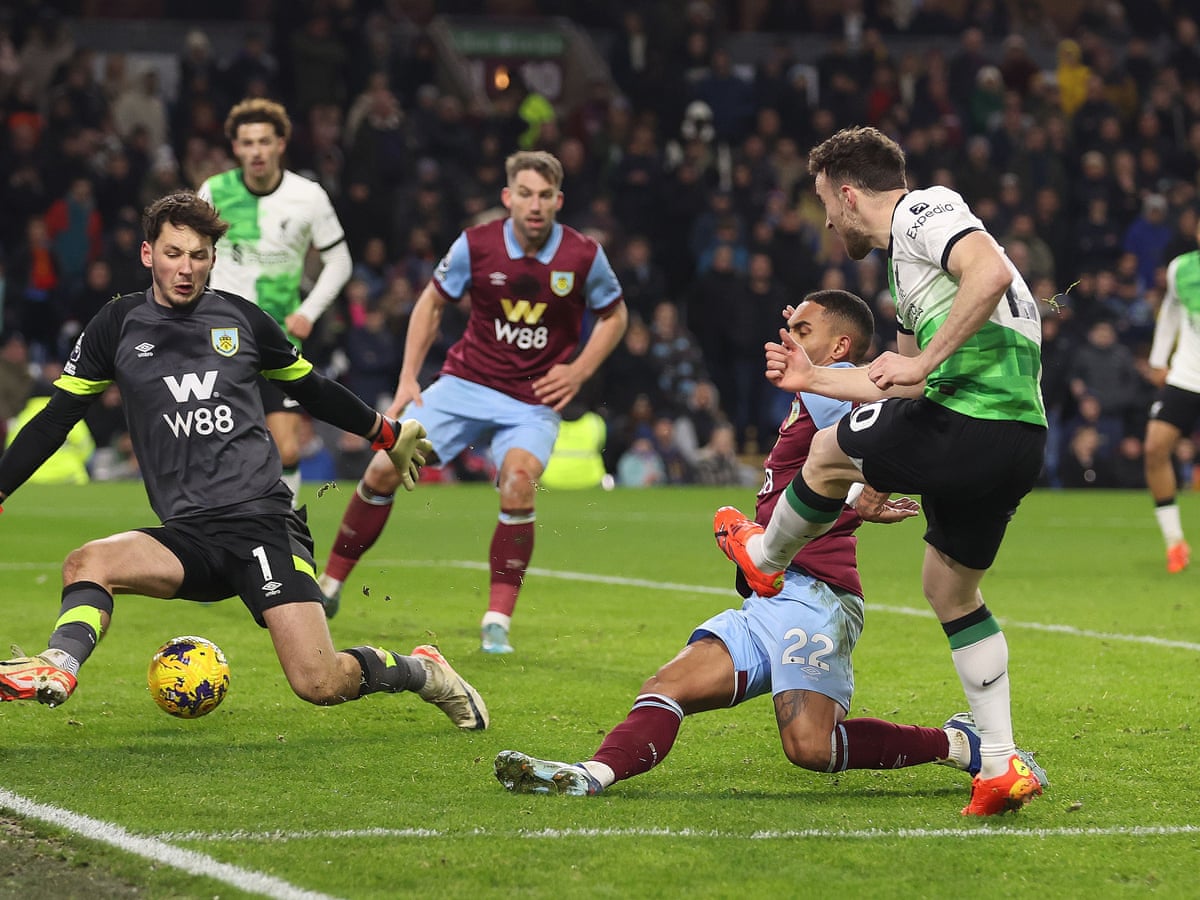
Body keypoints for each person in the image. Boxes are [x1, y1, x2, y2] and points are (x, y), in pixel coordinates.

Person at [494, 290, 1046, 802]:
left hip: (816, 594)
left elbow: (873, 437)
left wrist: (864, 490)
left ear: (839, 346)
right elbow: (852, 461)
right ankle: (592, 774)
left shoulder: (837, 383)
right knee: (669, 684)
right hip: (771, 596)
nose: (787, 336)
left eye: (802, 329)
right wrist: (860, 494)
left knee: (811, 748)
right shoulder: (815, 395)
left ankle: (962, 745)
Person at [0, 192, 487, 733]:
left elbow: (315, 390)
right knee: (86, 562)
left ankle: (424, 671)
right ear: (147, 254)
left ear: (213, 258)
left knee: (319, 684)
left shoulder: (242, 321)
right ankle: (57, 667)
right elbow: (53, 420)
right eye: (173, 253)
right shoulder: (115, 326)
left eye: (200, 255)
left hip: (262, 525)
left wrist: (386, 433)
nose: (186, 268)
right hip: (186, 537)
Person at [712, 127, 1048, 817]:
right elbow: (891, 388)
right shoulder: (909, 273)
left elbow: (987, 276)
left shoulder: (925, 211)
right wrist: (814, 379)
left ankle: (765, 555)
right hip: (1017, 436)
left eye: (823, 206)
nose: (827, 222)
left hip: (971, 416)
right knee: (949, 590)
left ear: (846, 193)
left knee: (827, 454)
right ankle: (1000, 762)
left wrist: (925, 363)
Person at [317, 151, 628, 653]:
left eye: (545, 196)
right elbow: (432, 303)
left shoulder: (583, 255)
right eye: (524, 194)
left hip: (530, 400)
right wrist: (407, 379)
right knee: (381, 469)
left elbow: (615, 315)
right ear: (507, 198)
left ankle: (496, 622)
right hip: (465, 384)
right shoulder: (476, 245)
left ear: (558, 201)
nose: (534, 205)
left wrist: (580, 368)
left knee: (519, 484)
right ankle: (329, 586)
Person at [198, 97, 352, 506]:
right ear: (235, 148)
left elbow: (339, 260)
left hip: (278, 339)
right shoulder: (214, 191)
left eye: (264, 141)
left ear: (281, 144)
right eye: (247, 143)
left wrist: (309, 311)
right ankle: (216, 541)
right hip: (219, 337)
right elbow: (190, 252)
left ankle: (284, 540)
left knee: (286, 449)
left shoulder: (309, 196)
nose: (256, 151)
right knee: (220, 450)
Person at [1144, 217, 1200, 574]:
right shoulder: (1182, 267)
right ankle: (1174, 543)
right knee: (1154, 449)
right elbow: (1171, 312)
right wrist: (1157, 360)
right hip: (1187, 374)